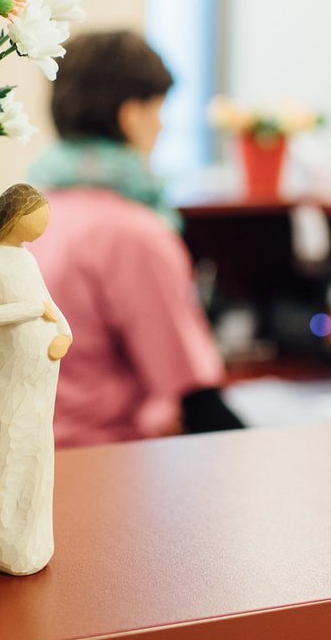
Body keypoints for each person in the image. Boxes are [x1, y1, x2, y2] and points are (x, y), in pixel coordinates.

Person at [28, 30, 242, 448]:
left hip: (42, 457)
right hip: (111, 467)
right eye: (159, 110)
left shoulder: (37, 213)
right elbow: (190, 391)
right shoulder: (133, 234)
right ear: (131, 115)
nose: (162, 126)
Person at [0, 184, 72, 575]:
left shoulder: (27, 260)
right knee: (1, 443)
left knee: (34, 447)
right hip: (6, 371)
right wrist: (33, 310)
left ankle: (30, 538)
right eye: (36, 218)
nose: (41, 228)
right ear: (12, 217)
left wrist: (64, 331)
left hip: (39, 373)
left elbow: (50, 302)